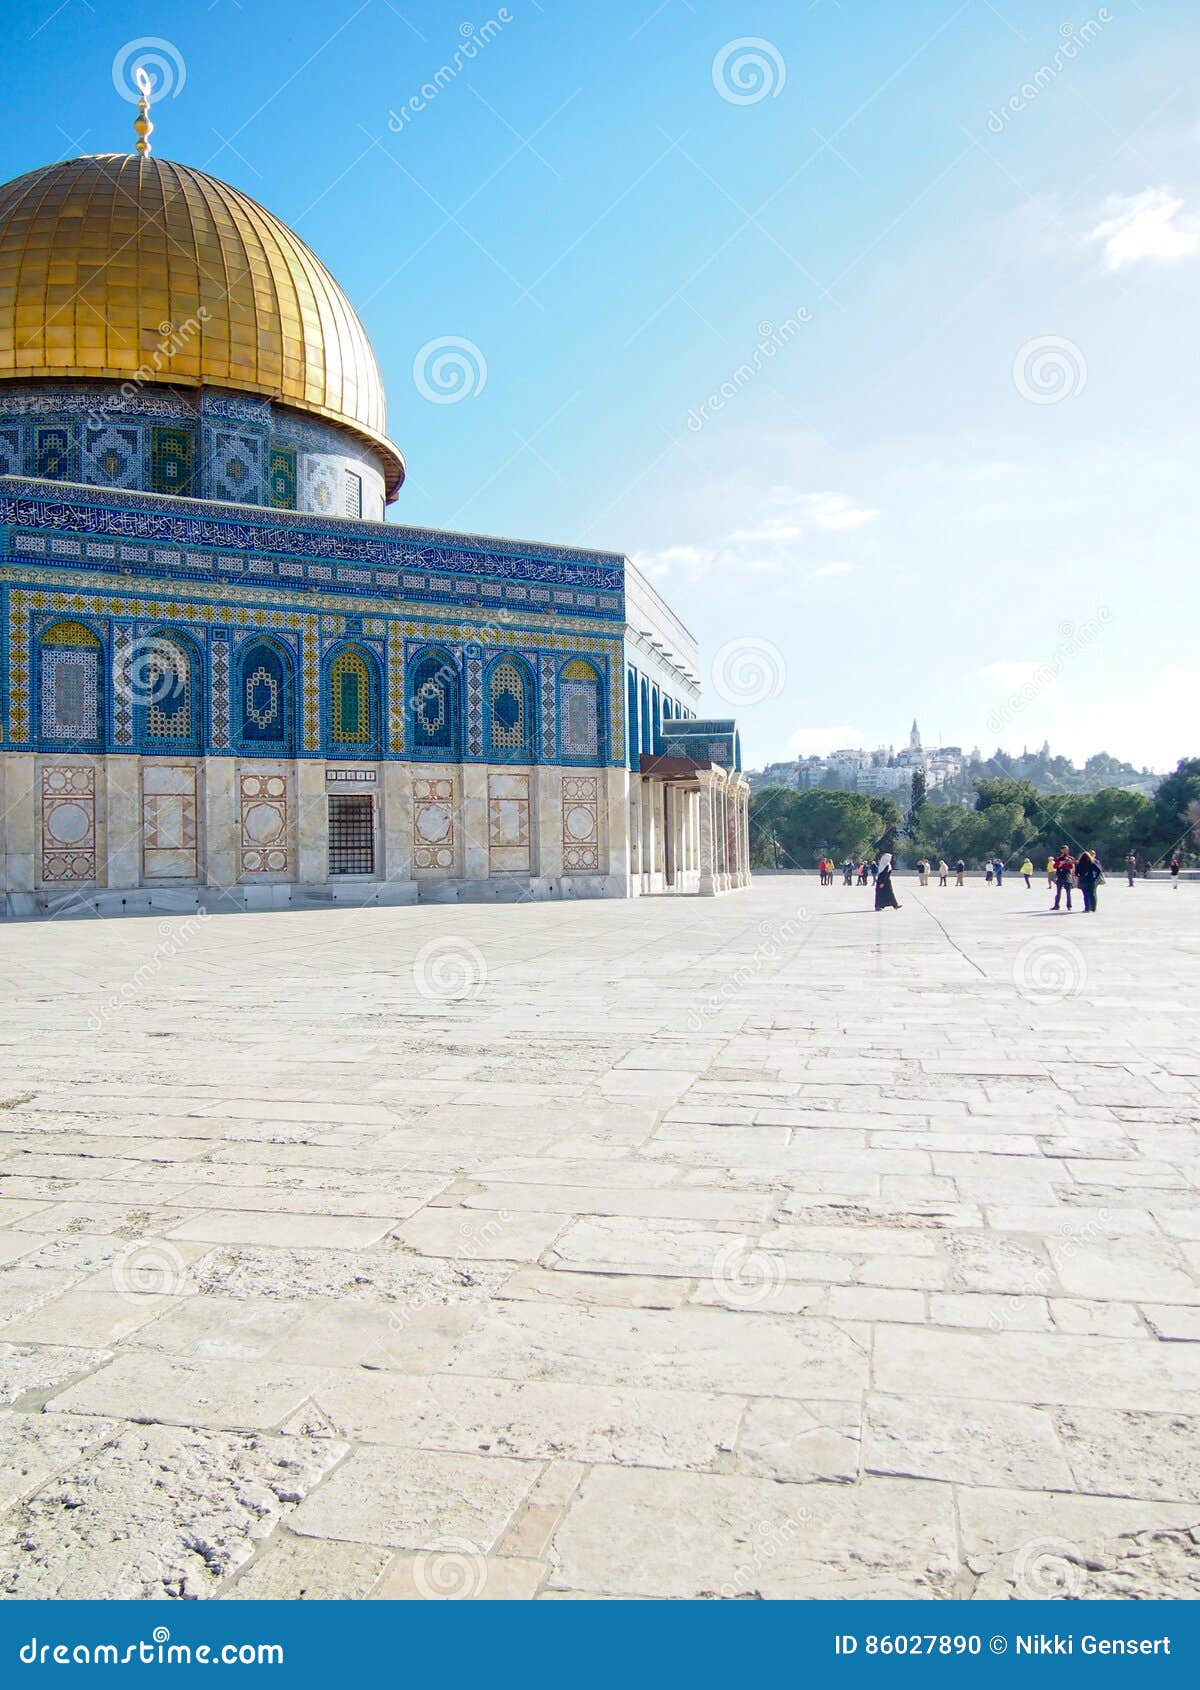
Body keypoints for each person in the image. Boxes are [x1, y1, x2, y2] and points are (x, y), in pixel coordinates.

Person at [1076, 848, 1102, 913]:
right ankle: (1093, 908)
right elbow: (1099, 870)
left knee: (1085, 894)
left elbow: (1076, 873)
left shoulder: (1079, 864)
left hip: (1083, 880)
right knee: (1092, 894)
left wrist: (1080, 876)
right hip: (1091, 880)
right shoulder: (1092, 863)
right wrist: (1095, 877)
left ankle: (1087, 908)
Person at [1052, 846, 1075, 911]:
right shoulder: (1059, 858)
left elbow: (1070, 867)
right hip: (1060, 876)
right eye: (1064, 850)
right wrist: (1060, 863)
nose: (1066, 851)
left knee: (1068, 892)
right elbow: (1055, 866)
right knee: (1058, 892)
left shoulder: (1071, 858)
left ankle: (1069, 906)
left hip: (1067, 876)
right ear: (1061, 850)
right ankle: (1056, 905)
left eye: (1067, 850)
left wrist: (1065, 863)